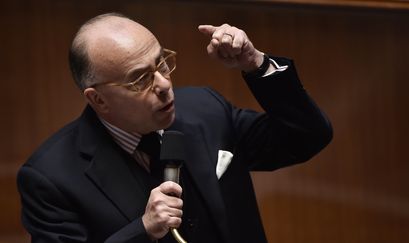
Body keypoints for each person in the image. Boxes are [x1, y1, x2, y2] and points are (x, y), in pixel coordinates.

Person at [17, 12, 332, 243]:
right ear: (98, 99)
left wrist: (256, 64)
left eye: (162, 63)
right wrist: (144, 230)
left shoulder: (205, 110)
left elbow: (307, 137)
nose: (165, 84)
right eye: (141, 79)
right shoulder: (50, 177)